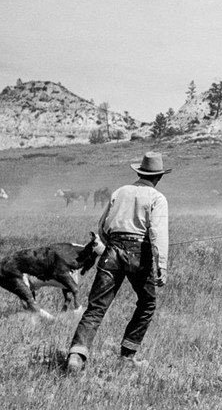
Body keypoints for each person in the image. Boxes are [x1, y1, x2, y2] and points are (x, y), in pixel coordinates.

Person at [66, 152, 171, 373]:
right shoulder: (157, 198)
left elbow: (102, 225)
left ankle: (77, 354)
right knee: (147, 303)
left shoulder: (120, 191)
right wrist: (161, 265)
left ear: (139, 172)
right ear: (159, 177)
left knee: (96, 307)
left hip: (111, 251)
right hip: (138, 254)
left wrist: (109, 246)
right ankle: (127, 356)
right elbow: (158, 233)